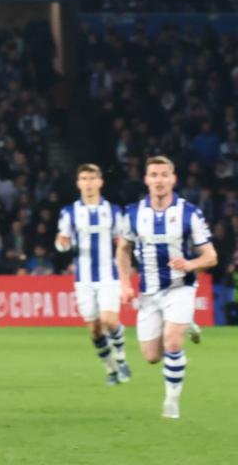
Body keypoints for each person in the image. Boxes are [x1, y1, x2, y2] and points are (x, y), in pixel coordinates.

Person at [117, 156, 215, 420]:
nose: (159, 180)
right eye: (154, 175)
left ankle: (171, 402)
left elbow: (211, 256)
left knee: (172, 341)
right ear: (146, 180)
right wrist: (125, 283)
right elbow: (123, 249)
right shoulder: (133, 213)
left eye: (164, 175)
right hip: (149, 292)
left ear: (173, 179)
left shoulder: (190, 213)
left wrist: (190, 263)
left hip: (180, 287)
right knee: (151, 356)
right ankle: (188, 323)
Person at [54, 163, 131, 385]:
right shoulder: (69, 213)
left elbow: (123, 243)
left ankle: (121, 359)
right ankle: (110, 370)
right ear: (78, 184)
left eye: (91, 178)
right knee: (95, 330)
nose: (88, 183)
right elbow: (63, 243)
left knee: (109, 321)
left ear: (100, 182)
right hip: (83, 279)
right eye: (84, 179)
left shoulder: (114, 211)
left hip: (109, 275)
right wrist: (62, 244)